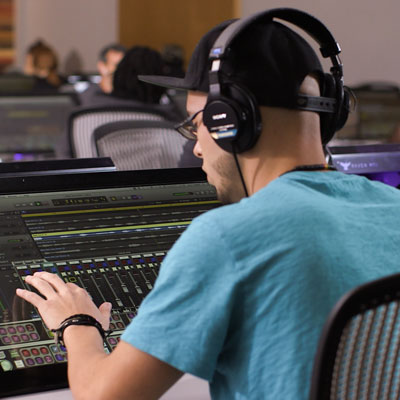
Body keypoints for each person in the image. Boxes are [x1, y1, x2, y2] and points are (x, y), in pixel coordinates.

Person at [16, 8, 400, 400]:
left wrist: (77, 322)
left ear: (228, 121)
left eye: (196, 125)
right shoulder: (394, 207)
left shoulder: (228, 238)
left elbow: (103, 395)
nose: (196, 147)